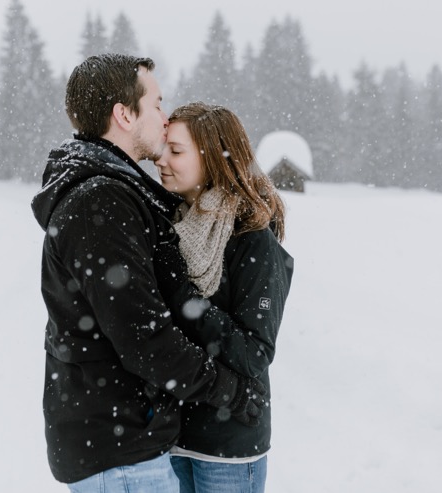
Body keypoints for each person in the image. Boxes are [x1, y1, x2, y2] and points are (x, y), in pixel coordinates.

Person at [31, 54, 267, 491]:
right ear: (124, 114)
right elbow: (145, 339)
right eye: (156, 103)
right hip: (118, 450)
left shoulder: (112, 191)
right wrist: (230, 392)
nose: (163, 117)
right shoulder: (100, 201)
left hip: (125, 442)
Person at [153, 102, 293, 492]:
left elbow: (253, 352)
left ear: (213, 156)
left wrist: (182, 293)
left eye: (176, 151)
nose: (161, 159)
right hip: (173, 435)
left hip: (228, 446)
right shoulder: (173, 225)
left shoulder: (252, 239)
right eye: (164, 148)